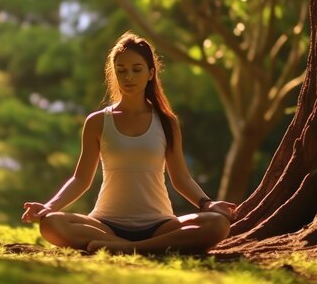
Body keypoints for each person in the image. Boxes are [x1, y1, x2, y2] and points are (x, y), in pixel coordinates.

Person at [21, 31, 237, 254]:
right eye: (121, 70)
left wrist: (207, 203)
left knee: (217, 223)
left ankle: (131, 248)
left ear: (151, 73)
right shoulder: (97, 122)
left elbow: (181, 178)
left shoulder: (166, 122)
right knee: (51, 223)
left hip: (159, 225)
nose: (128, 77)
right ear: (114, 74)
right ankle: (133, 247)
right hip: (105, 226)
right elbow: (80, 179)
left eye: (136, 69)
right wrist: (48, 207)